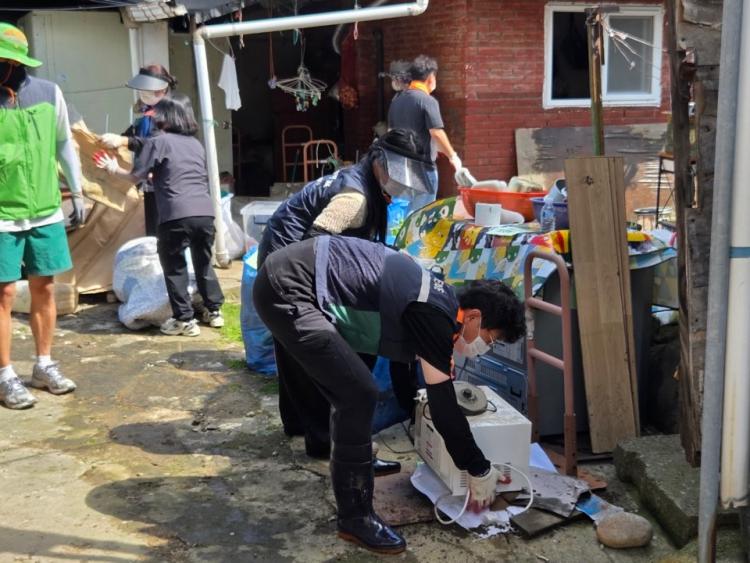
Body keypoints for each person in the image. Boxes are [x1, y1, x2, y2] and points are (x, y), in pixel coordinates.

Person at [254, 235, 526, 554]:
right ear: (475, 317)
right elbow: (442, 405)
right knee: (357, 393)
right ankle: (355, 517)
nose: (485, 347)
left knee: (352, 377)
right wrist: (478, 468)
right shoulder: (434, 315)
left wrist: (416, 420)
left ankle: (344, 455)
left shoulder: (439, 302)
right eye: (490, 339)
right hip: (289, 287)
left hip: (297, 276)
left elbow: (404, 368)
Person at [258, 128, 432, 474]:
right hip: (291, 268)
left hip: (278, 267)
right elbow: (318, 243)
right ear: (379, 161)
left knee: (295, 350)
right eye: (398, 172)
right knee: (326, 353)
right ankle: (328, 442)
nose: (401, 183)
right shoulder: (355, 199)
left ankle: (300, 425)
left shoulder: (361, 178)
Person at [0, 22, 85, 409]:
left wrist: (77, 190)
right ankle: (5, 375)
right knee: (3, 294)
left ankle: (43, 365)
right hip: (2, 212)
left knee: (45, 288)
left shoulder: (50, 93)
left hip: (45, 208)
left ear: (16, 62)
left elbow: (64, 143)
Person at [95, 94, 224, 337]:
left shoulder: (158, 141)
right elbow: (178, 174)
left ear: (166, 117)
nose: (153, 118)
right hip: (204, 213)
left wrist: (113, 168)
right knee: (203, 262)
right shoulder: (195, 144)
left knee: (174, 266)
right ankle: (214, 310)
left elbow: (136, 177)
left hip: (175, 214)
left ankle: (184, 319)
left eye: (157, 114)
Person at [387, 55, 473, 211]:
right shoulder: (427, 101)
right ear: (430, 77)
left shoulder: (396, 101)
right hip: (422, 169)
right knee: (421, 215)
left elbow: (393, 132)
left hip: (398, 168)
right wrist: (453, 156)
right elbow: (436, 133)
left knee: (399, 215)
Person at [99, 65, 177, 236]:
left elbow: (153, 144)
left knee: (164, 235)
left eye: (148, 90)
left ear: (162, 90)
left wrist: (124, 141)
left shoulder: (170, 114)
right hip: (150, 185)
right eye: (143, 90)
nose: (144, 94)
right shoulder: (146, 115)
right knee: (154, 234)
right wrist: (116, 140)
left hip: (167, 187)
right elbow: (134, 135)